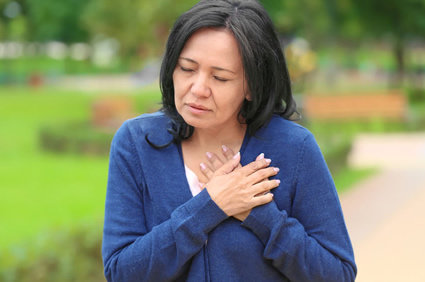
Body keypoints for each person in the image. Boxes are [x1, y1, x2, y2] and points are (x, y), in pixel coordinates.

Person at [102, 0, 357, 281]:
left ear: (251, 85)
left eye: (220, 78)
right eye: (187, 69)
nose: (197, 89)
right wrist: (210, 206)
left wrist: (259, 215)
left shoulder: (293, 148)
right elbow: (120, 272)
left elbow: (338, 274)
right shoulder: (137, 143)